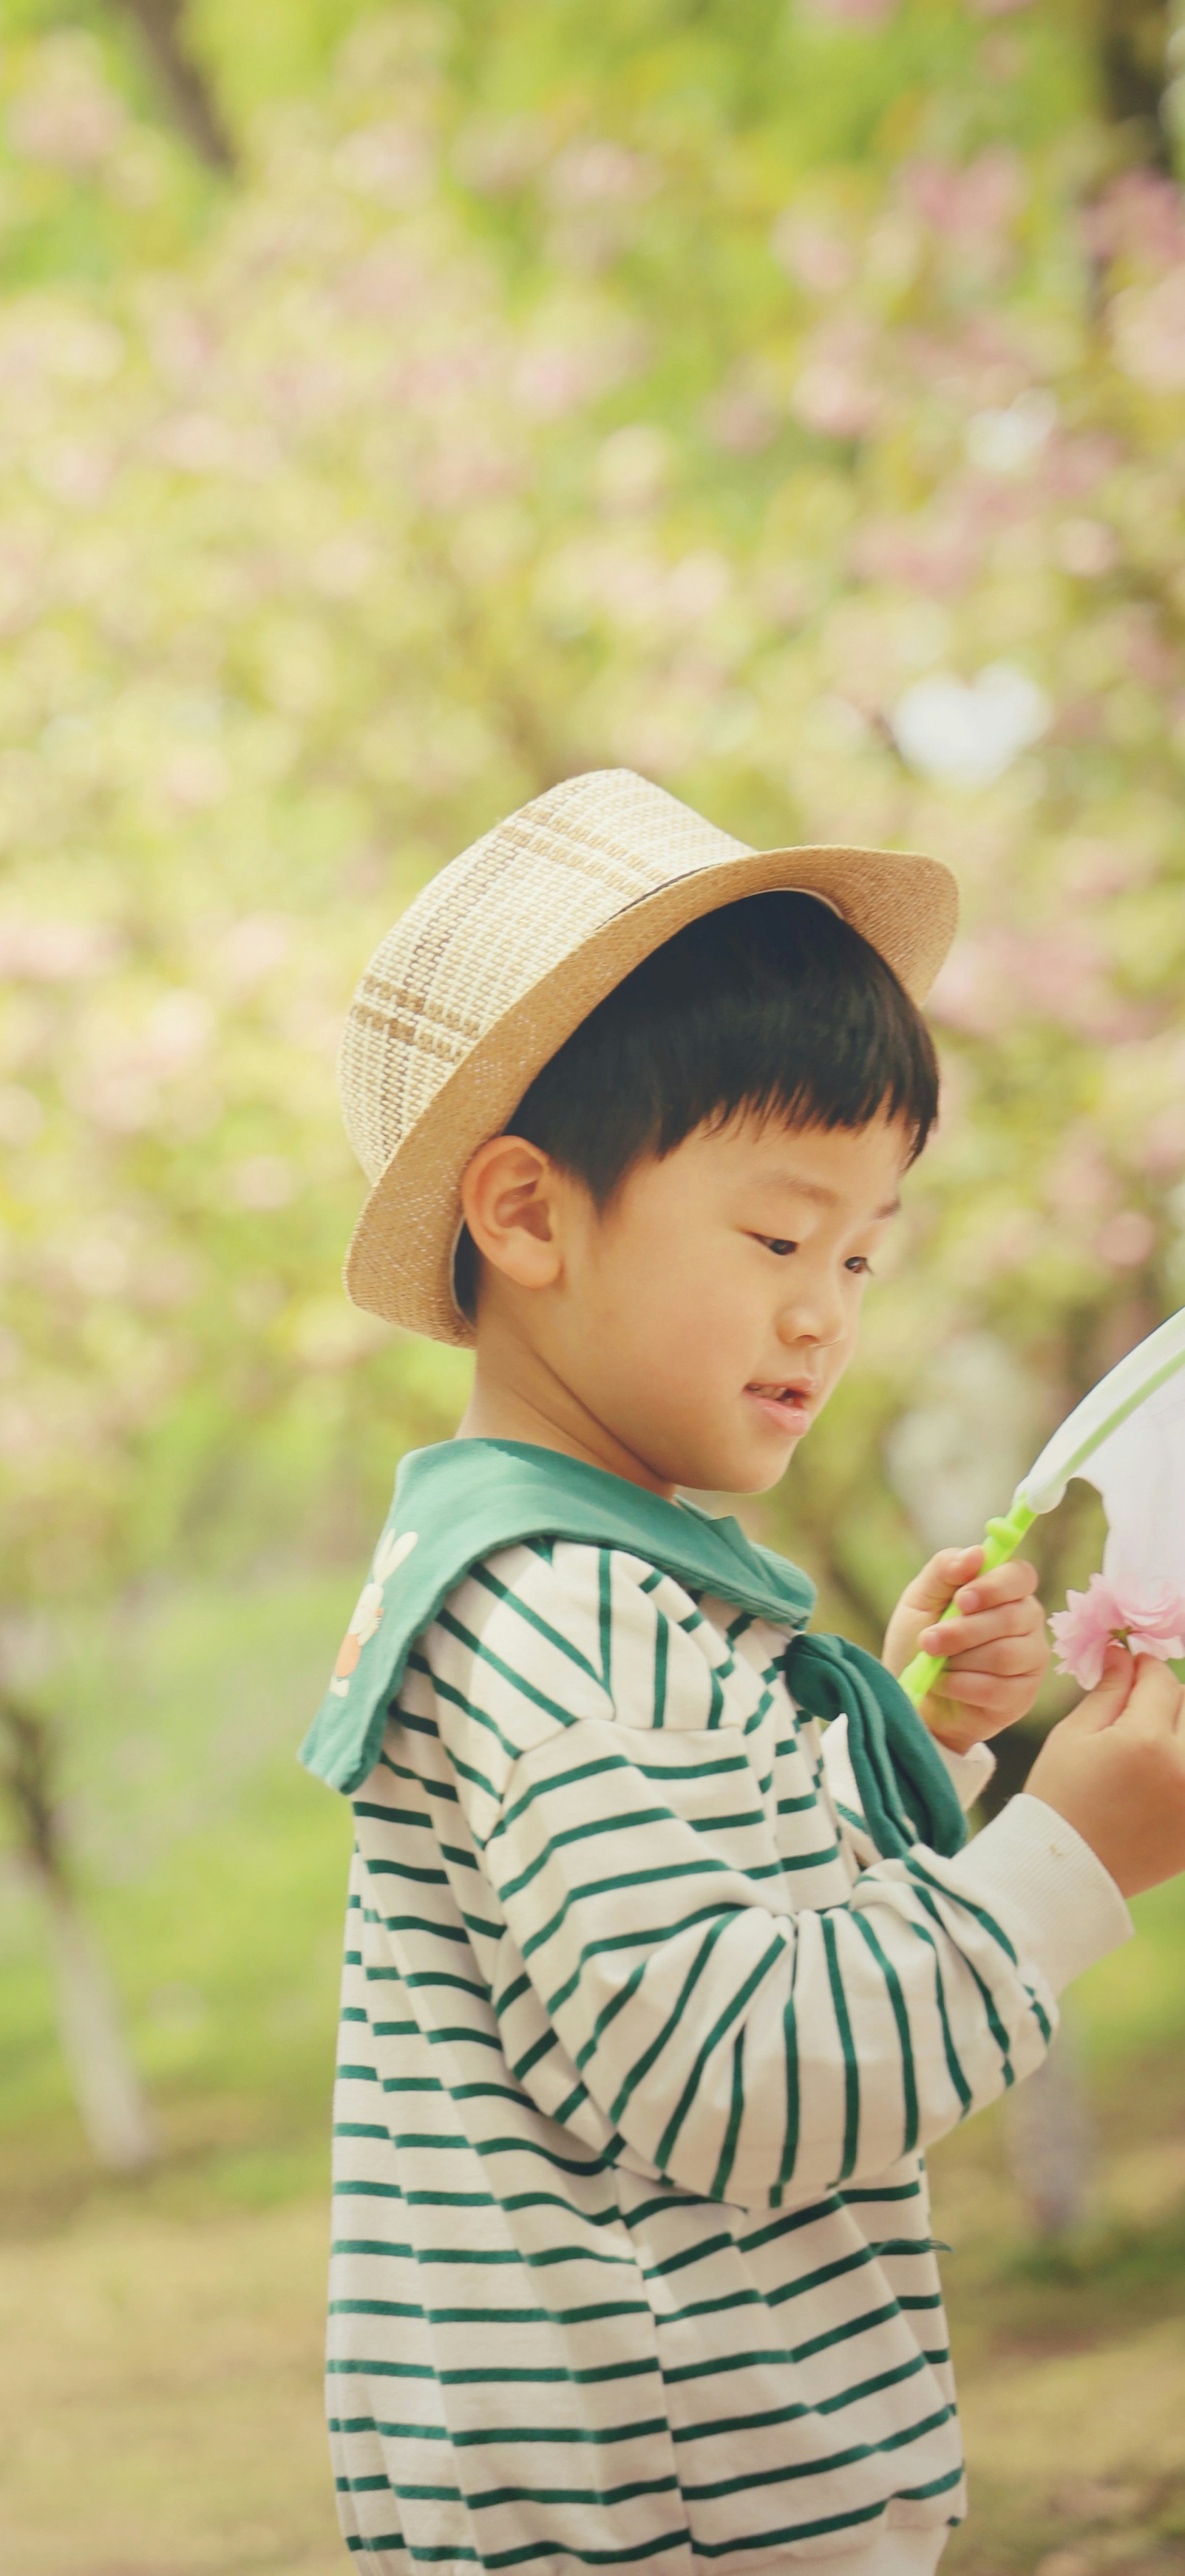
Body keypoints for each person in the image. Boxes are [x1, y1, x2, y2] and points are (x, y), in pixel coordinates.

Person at [302, 767, 1185, 2575]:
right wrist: (1068, 1861)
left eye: (861, 1252)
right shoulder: (562, 1612)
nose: (825, 1311)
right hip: (670, 2513)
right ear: (531, 1218)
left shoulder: (604, 1593)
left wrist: (914, 1735)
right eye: (780, 1238)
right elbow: (743, 2074)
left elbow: (728, 1918)